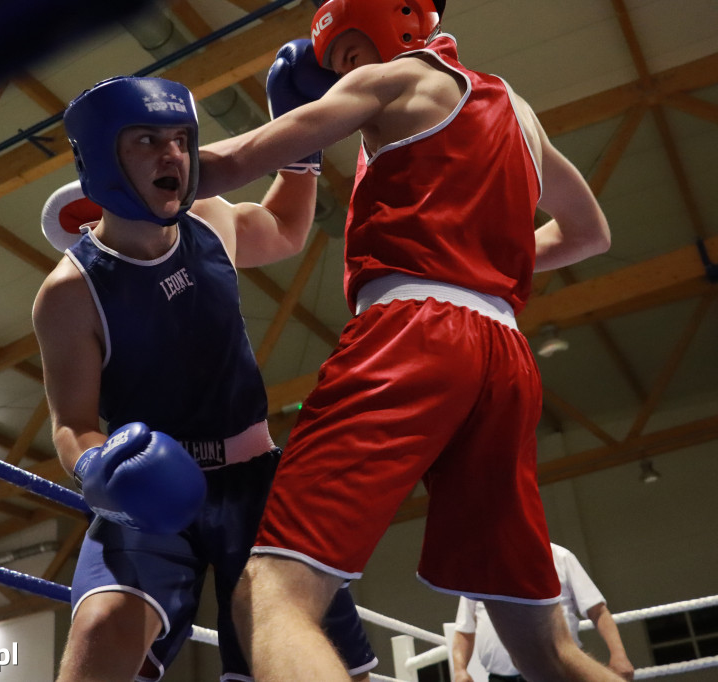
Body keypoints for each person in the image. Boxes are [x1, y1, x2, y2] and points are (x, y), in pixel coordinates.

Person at [196, 1, 617, 680]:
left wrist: (120, 165)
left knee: (270, 593)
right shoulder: (519, 110)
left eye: (352, 54)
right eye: (337, 63)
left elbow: (229, 163)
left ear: (395, 26)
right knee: (546, 650)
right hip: (503, 355)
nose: (343, 71)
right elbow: (590, 233)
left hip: (411, 334)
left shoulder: (389, 82)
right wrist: (479, 254)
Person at [32, 71, 377, 682]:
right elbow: (73, 423)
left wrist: (304, 159)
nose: (171, 155)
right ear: (102, 156)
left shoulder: (211, 217)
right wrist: (95, 467)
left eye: (180, 140)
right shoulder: (69, 292)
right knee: (102, 629)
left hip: (256, 479)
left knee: (304, 651)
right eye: (146, 141)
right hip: (150, 490)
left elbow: (288, 231)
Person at [453, 544, 635, 682]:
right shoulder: (482, 568)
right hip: (501, 678)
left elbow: (598, 611)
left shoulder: (560, 557)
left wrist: (619, 655)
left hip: (557, 672)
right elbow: (464, 628)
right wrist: (460, 669)